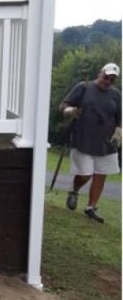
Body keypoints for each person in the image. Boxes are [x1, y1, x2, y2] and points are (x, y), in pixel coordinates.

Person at [60, 63, 122, 223]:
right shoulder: (84, 87)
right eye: (106, 76)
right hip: (83, 139)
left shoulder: (116, 95)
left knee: (101, 176)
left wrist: (119, 130)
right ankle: (74, 191)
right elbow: (64, 105)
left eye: (112, 79)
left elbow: (119, 117)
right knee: (85, 174)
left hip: (106, 143)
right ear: (100, 72)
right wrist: (69, 111)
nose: (107, 81)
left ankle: (91, 207)